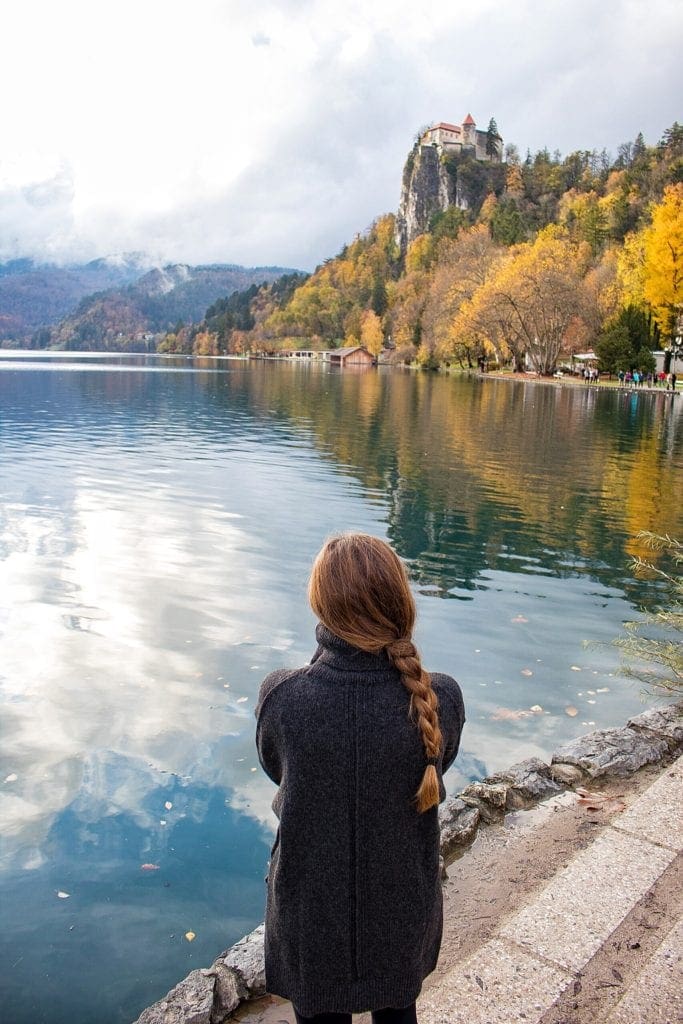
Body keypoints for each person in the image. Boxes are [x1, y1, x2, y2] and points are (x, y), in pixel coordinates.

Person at [255, 533, 465, 1024]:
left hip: (312, 917)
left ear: (322, 605)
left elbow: (276, 767)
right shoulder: (441, 699)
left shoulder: (283, 698)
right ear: (400, 602)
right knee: (399, 1011)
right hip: (403, 908)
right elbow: (438, 759)